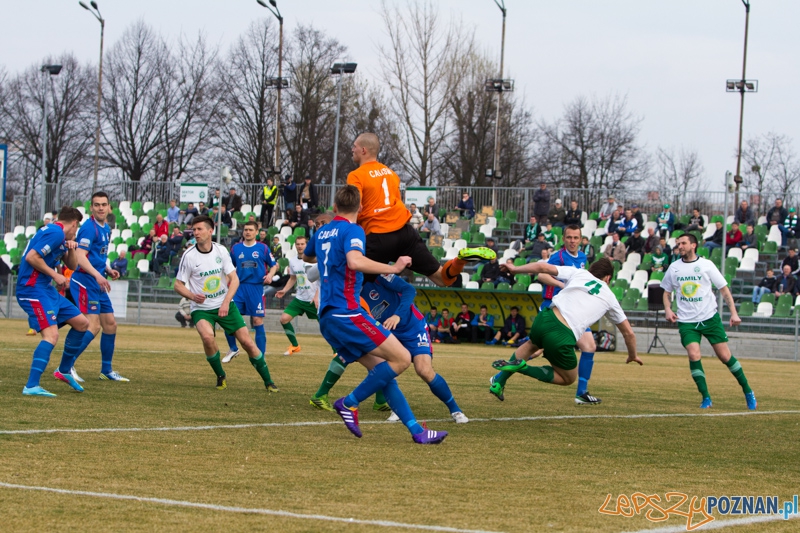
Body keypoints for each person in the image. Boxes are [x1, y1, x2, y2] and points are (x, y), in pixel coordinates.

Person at [302, 185, 447, 444]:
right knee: (402, 358)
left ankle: (418, 431)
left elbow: (307, 255)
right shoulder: (354, 229)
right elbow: (355, 261)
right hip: (347, 312)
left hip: (327, 316)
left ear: (335, 208)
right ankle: (349, 403)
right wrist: (394, 267)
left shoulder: (322, 230)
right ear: (360, 208)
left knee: (383, 371)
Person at [310, 270, 468, 424]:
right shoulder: (349, 294)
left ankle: (455, 410)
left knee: (424, 370)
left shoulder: (378, 275)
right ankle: (396, 409)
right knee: (383, 368)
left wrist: (397, 315)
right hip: (386, 332)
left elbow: (409, 290)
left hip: (413, 327)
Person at [347, 132, 492, 287]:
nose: (352, 150)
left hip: (377, 236)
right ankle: (459, 261)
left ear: (363, 150)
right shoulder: (391, 174)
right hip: (404, 232)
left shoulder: (356, 176)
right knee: (442, 279)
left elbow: (355, 208)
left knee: (352, 288)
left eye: (354, 146)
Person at [490, 258, 642, 397]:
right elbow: (629, 333)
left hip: (545, 316)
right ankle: (522, 368)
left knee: (531, 345)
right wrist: (632, 355)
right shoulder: (610, 297)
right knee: (567, 378)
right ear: (608, 278)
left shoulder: (579, 273)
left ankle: (499, 383)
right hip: (563, 332)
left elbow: (543, 266)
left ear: (591, 270)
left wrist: (515, 269)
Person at [174, 215, 277, 391]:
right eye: (194, 229)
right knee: (207, 337)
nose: (196, 233)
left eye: (199, 229)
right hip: (201, 309)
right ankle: (221, 376)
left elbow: (234, 279)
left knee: (247, 342)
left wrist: (226, 303)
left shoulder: (221, 251)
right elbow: (178, 285)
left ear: (210, 230)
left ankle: (269, 382)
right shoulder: (189, 256)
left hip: (225, 304)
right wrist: (192, 296)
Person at [661, 233, 755, 410]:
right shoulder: (674, 268)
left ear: (693, 245)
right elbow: (666, 293)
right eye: (677, 243)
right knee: (694, 355)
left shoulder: (706, 265)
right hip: (687, 321)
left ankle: (748, 391)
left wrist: (733, 313)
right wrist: (668, 309)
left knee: (725, 357)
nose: (679, 246)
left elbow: (724, 290)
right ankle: (706, 398)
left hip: (710, 318)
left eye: (683, 243)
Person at [511, 224, 600, 405]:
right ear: (563, 239)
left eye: (576, 238)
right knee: (533, 348)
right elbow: (542, 276)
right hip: (554, 309)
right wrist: (562, 285)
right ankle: (500, 377)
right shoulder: (558, 256)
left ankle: (582, 393)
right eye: (569, 237)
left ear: (581, 239)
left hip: (573, 311)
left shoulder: (582, 257)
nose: (572, 241)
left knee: (589, 346)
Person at [16, 206, 92, 396]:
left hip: (45, 290)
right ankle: (31, 385)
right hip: (31, 288)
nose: (76, 231)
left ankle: (64, 370)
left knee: (82, 323)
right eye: (77, 227)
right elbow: (32, 257)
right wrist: (55, 275)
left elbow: (72, 265)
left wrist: (72, 247)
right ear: (74, 223)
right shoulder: (55, 233)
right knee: (51, 336)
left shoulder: (62, 237)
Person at [66, 192, 128, 383]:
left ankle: (106, 370)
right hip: (85, 282)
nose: (101, 208)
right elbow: (80, 257)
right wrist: (98, 275)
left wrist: (108, 269)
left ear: (109, 207)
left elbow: (99, 255)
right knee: (93, 326)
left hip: (97, 281)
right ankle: (66, 367)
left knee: (110, 325)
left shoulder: (106, 228)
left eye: (104, 204)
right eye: (97, 205)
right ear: (91, 208)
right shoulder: (89, 228)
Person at [221, 220, 278, 364]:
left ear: (256, 232)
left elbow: (274, 265)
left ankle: (261, 356)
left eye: (251, 230)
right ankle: (233, 348)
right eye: (246, 229)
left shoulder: (263, 248)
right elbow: (228, 267)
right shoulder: (236, 248)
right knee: (228, 318)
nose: (247, 232)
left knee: (257, 320)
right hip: (238, 288)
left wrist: (270, 275)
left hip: (256, 288)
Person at [275, 235, 327, 356]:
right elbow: (293, 278)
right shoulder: (292, 261)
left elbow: (322, 279)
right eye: (297, 244)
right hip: (299, 298)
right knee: (284, 319)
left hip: (314, 299)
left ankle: (337, 351)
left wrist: (317, 296)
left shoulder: (316, 260)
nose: (299, 246)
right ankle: (295, 345)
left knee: (326, 326)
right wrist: (285, 290)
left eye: (302, 244)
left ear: (307, 245)